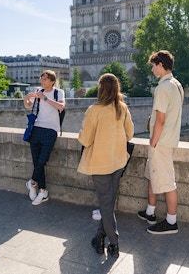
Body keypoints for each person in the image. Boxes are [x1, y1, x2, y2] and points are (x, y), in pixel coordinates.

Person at [77, 73, 134, 258]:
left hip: (100, 164)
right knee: (108, 203)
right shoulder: (122, 108)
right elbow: (130, 134)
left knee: (106, 204)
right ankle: (99, 237)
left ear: (101, 89)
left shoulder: (94, 110)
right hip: (118, 161)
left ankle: (114, 243)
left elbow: (85, 139)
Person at [137, 50, 184, 235]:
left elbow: (161, 119)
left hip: (161, 142)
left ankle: (171, 222)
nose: (152, 69)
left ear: (161, 65)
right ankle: (150, 212)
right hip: (168, 139)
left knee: (167, 182)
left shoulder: (163, 88)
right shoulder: (176, 84)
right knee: (152, 175)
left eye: (153, 65)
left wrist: (153, 142)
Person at [22, 70, 65, 205]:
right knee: (37, 162)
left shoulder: (58, 92)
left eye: (45, 79)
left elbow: (61, 107)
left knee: (42, 161)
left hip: (51, 130)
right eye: (42, 79)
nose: (42, 81)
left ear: (52, 81)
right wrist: (26, 98)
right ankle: (42, 191)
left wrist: (45, 98)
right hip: (36, 128)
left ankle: (32, 182)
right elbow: (28, 106)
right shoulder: (38, 91)